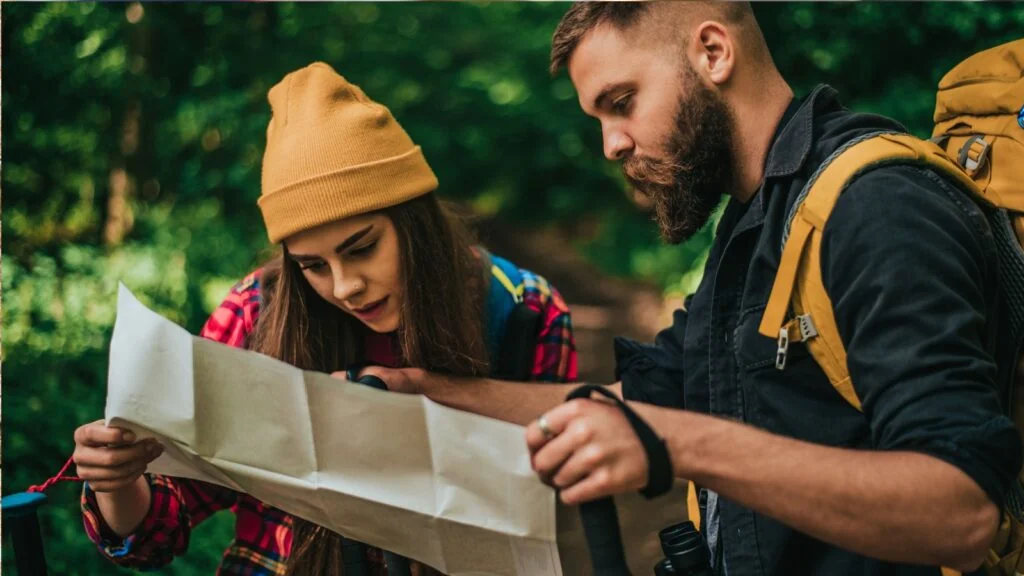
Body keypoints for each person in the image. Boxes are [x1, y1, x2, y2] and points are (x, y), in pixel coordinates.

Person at [359, 4, 1023, 575]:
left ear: (713, 51)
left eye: (621, 104)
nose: (611, 145)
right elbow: (644, 400)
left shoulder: (876, 209)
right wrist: (424, 394)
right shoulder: (760, 221)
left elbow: (959, 511)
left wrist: (671, 441)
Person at [71, 62, 578, 576]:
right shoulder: (257, 315)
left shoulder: (523, 312)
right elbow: (165, 520)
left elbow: (545, 503)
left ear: (414, 220)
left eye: (362, 248)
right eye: (312, 265)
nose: (344, 287)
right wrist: (116, 483)